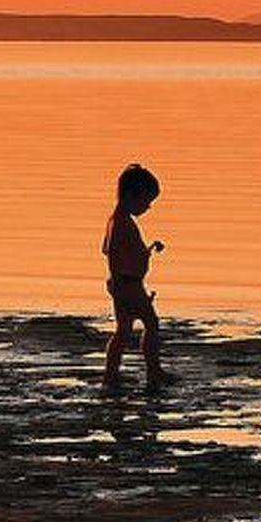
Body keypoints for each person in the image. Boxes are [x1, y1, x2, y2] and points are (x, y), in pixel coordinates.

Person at [102, 163, 168, 393]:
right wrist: (122, 285)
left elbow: (110, 250)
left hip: (124, 283)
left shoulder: (117, 220)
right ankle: (153, 370)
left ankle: (111, 374)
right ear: (131, 196)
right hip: (127, 284)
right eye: (146, 202)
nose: (148, 207)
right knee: (151, 323)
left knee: (124, 330)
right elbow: (113, 254)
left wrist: (147, 249)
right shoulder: (122, 223)